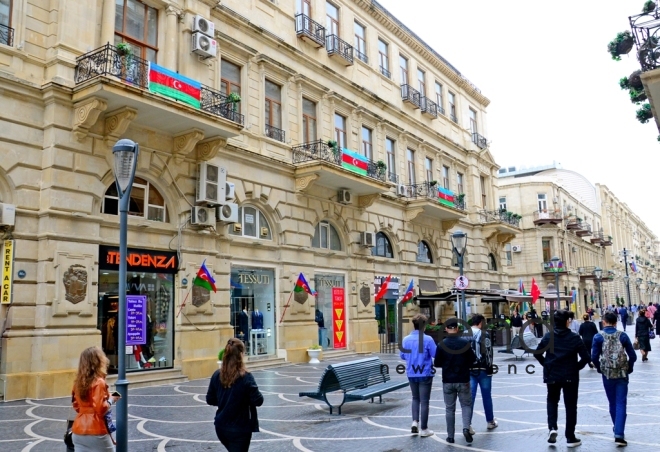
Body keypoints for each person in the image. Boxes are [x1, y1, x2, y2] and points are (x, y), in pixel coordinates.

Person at [534, 309, 591, 448]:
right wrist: (576, 367)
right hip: (570, 376)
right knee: (571, 406)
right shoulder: (574, 337)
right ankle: (570, 437)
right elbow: (586, 357)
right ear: (567, 322)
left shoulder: (548, 337)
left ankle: (552, 427)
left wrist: (546, 364)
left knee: (552, 401)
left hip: (552, 374)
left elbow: (537, 353)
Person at [206, 338, 264, 452]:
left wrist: (225, 400)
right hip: (240, 429)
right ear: (241, 355)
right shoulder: (246, 377)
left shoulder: (217, 374)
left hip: (221, 427)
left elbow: (210, 399)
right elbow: (258, 400)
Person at [592, 310, 636, 447]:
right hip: (622, 373)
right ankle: (619, 433)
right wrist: (630, 367)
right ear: (616, 323)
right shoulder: (622, 336)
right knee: (621, 403)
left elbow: (594, 357)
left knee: (612, 402)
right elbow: (632, 355)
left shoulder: (598, 337)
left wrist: (600, 368)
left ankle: (616, 428)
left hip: (608, 374)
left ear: (604, 322)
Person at [434, 319, 477, 445]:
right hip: (463, 380)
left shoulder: (441, 344)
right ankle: (465, 428)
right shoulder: (465, 343)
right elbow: (473, 360)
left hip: (447, 380)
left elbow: (436, 363)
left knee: (449, 409)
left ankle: (450, 436)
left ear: (446, 329)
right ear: (457, 329)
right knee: (466, 405)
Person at [71, 346, 118, 451]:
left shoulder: (78, 382)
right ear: (98, 361)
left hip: (78, 430)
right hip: (96, 430)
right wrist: (111, 399)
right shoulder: (99, 381)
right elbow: (100, 408)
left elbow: (76, 405)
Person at [400, 314, 437, 437]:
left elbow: (402, 356)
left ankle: (414, 422)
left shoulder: (406, 339)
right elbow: (434, 354)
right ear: (424, 326)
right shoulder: (428, 339)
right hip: (425, 372)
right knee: (424, 401)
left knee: (415, 398)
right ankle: (424, 429)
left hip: (411, 372)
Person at [468, 314, 497, 435]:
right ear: (480, 323)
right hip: (484, 369)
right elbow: (489, 352)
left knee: (470, 398)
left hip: (469, 370)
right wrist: (490, 368)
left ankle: (467, 424)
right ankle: (490, 421)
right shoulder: (484, 334)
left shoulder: (465, 333)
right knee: (486, 396)